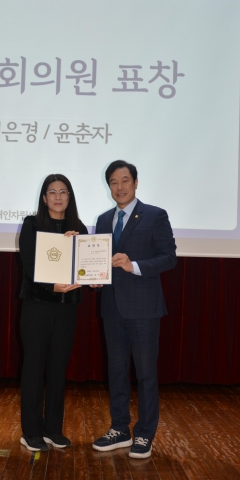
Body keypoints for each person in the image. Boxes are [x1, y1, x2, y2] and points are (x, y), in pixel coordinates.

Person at [90, 160, 177, 458]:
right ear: (109, 186)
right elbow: (99, 261)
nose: (120, 187)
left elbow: (169, 257)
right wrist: (94, 278)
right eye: (114, 182)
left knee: (146, 374)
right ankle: (119, 429)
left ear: (136, 183)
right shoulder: (103, 220)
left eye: (125, 180)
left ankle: (144, 434)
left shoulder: (155, 215)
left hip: (144, 309)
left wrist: (134, 265)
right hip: (111, 307)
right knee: (116, 372)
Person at [17, 174, 88, 452]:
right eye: (52, 192)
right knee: (34, 368)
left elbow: (85, 267)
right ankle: (31, 432)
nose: (58, 197)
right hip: (37, 307)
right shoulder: (32, 224)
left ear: (70, 197)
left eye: (63, 192)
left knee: (59, 368)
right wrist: (51, 286)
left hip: (67, 309)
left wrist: (92, 275)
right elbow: (29, 265)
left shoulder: (79, 228)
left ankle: (53, 429)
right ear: (44, 198)